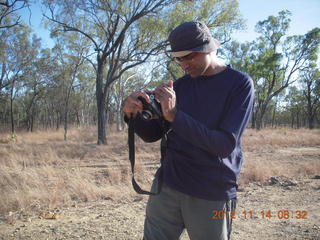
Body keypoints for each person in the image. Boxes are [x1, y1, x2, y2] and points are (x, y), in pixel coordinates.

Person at [122, 21, 254, 240]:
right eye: (178, 58)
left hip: (210, 191)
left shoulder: (239, 84)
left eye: (189, 56)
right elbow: (151, 134)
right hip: (167, 186)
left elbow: (224, 145)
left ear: (209, 48)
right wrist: (131, 114)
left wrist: (175, 115)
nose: (183, 64)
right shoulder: (180, 87)